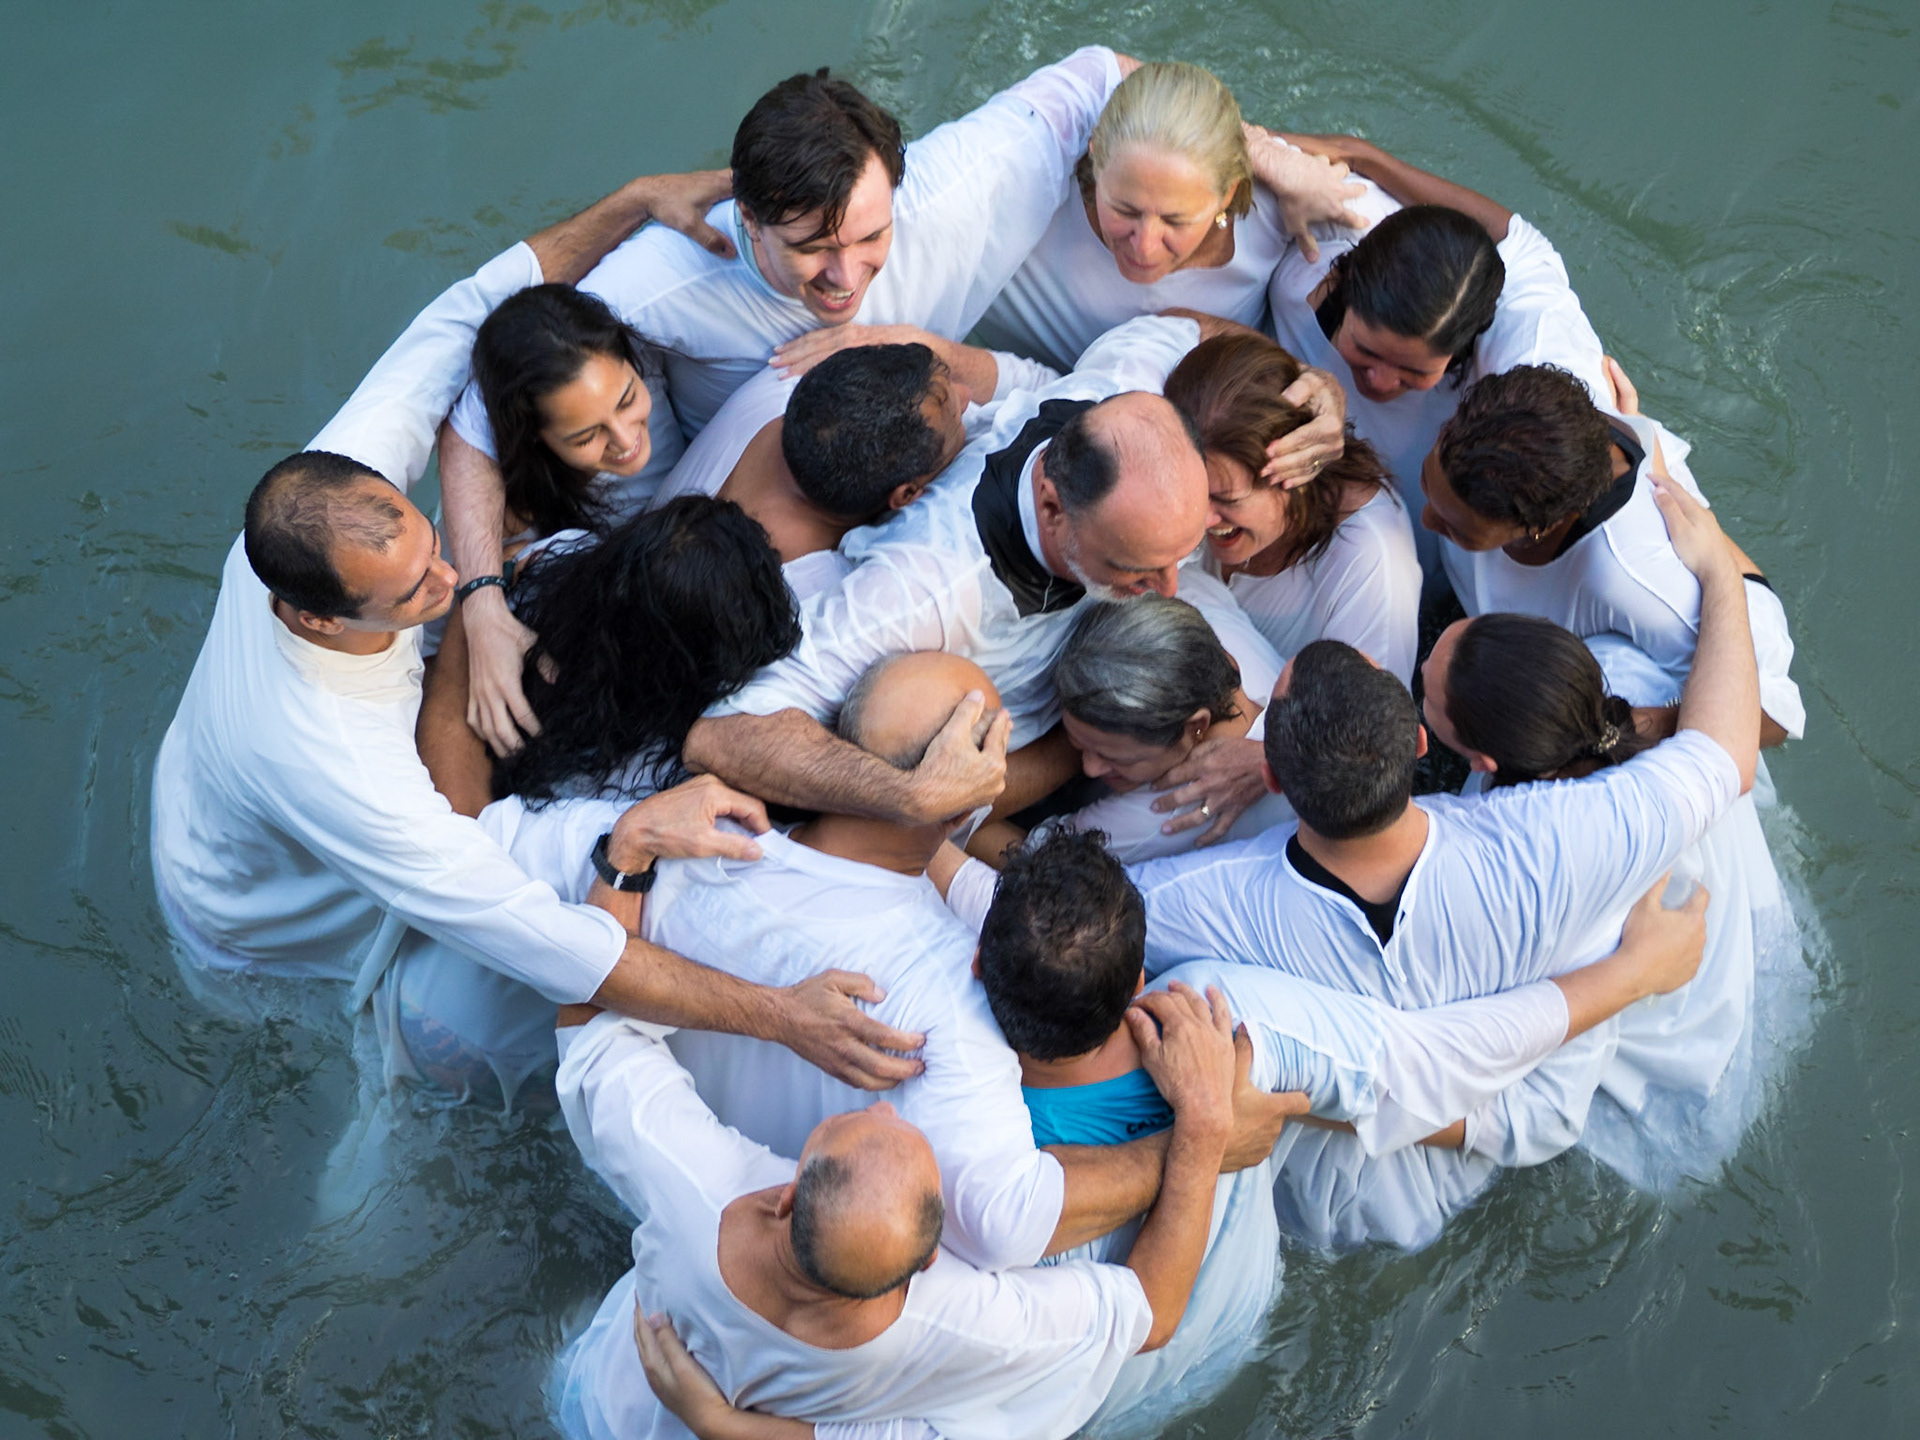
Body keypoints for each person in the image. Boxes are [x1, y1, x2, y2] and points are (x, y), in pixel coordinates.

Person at [150, 199, 934, 1095]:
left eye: (428, 541)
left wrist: (638, 198)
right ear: (320, 620)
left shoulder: (333, 494)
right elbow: (551, 944)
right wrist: (783, 1016)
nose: (448, 581)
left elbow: (469, 307)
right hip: (256, 926)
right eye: (416, 593)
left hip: (205, 774)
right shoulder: (340, 763)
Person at [1128, 467, 1764, 1248]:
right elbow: (1727, 752)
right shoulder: (1583, 835)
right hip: (1522, 1126)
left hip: (1347, 1182)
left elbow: (1398, 1069)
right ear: (1420, 752)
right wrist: (1724, 574)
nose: (1419, 661)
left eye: (1421, 684)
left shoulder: (1212, 901)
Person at [444, 49, 1134, 756]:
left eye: (871, 237)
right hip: (687, 523)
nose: (845, 276)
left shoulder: (951, 191)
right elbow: (478, 413)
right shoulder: (671, 275)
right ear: (747, 217)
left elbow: (1108, 75)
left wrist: (1258, 157)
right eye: (812, 248)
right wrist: (483, 603)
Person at [646, 651, 1293, 1272]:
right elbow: (1008, 1227)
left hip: (684, 1201)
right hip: (825, 1235)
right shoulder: (948, 1015)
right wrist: (1202, 1143)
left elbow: (590, 983)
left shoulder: (680, 838)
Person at [549, 973, 1243, 1440]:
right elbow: (1151, 1314)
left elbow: (591, 1021)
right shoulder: (965, 1323)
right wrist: (1207, 1127)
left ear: (785, 1194)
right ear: (932, 1258)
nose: (883, 1103)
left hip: (601, 1406)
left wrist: (629, 858)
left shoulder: (695, 1186)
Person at [680, 315, 1214, 826]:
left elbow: (1189, 324)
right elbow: (723, 733)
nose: (1168, 589)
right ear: (1051, 507)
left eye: (1180, 553)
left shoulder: (1123, 381)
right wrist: (907, 797)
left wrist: (1298, 386)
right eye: (1135, 567)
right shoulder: (921, 586)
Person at [1421, 613, 1815, 1188]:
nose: (1424, 670)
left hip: (1675, 1101)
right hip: (1763, 965)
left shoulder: (1526, 853)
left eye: (1427, 695)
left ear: (1482, 762)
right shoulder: (1630, 667)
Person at [967, 60, 1365, 475]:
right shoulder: (1033, 193)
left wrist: (1323, 387)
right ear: (1094, 157)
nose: (1145, 245)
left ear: (1227, 194)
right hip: (1037, 397)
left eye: (1176, 221)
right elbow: (1096, 68)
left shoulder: (1275, 214)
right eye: (1124, 209)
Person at [1265, 135, 1615, 575]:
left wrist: (1629, 429)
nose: (1380, 381)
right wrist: (1356, 155)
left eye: (1414, 372)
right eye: (1366, 350)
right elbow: (1200, 129)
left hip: (1437, 570)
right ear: (1343, 280)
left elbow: (1523, 247)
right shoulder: (1309, 265)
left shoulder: (1500, 365)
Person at [1423, 361, 1805, 744]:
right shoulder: (1528, 356)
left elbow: (1773, 714)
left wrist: (1605, 733)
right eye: (1427, 480)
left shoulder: (1630, 575)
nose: (1427, 519)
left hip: (1700, 614)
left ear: (1537, 528)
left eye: (1459, 528)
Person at [1163, 330, 1421, 683]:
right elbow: (1172, 324)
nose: (1200, 518)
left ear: (1299, 471)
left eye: (1227, 499)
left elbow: (1365, 732)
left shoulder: (1371, 561)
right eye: (1191, 492)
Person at [1016, 582, 1293, 864]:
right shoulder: (1195, 600)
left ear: (1195, 726)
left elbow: (1027, 865)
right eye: (1078, 743)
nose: (1089, 767)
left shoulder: (1169, 811)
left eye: (1115, 756)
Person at [647, 342, 978, 577]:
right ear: (906, 495)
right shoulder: (820, 592)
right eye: (958, 418)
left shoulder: (779, 381)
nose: (966, 397)